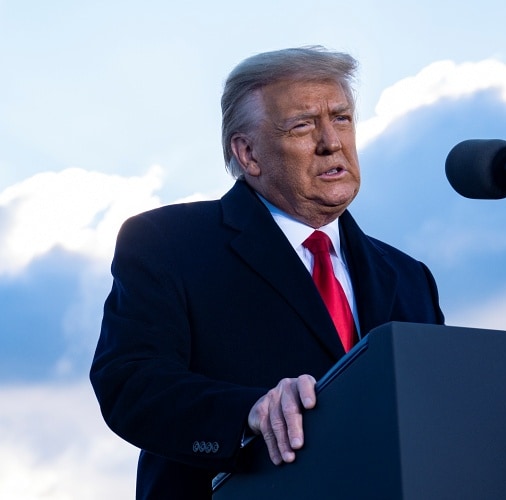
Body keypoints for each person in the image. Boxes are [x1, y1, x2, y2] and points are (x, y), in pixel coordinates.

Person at [90, 46, 444, 499]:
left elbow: (434, 411)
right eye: (302, 125)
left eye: (341, 118)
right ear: (248, 153)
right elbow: (130, 383)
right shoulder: (168, 243)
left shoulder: (409, 276)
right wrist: (249, 414)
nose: (331, 141)